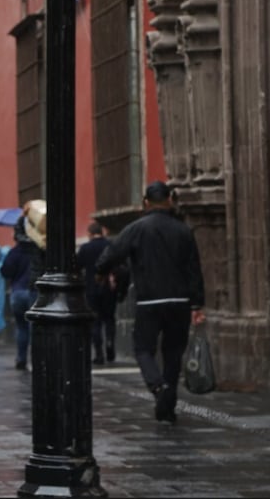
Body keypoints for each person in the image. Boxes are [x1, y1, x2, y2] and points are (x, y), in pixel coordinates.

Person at [96, 181, 206, 424]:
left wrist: (101, 271)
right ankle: (167, 408)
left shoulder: (136, 229)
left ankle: (158, 388)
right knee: (173, 352)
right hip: (179, 301)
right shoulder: (184, 231)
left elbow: (112, 254)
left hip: (149, 300)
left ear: (145, 203)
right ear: (169, 200)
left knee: (143, 348)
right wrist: (197, 305)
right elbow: (194, 270)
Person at [0, 200, 46, 371]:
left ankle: (21, 358)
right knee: (35, 328)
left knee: (21, 328)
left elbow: (5, 272)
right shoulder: (41, 248)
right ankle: (36, 360)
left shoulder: (15, 252)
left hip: (17, 293)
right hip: (34, 291)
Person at [76, 221, 118, 365]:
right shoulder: (109, 245)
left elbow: (77, 265)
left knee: (95, 322)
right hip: (108, 287)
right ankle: (110, 344)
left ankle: (99, 353)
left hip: (91, 288)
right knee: (110, 319)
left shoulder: (85, 248)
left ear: (89, 233)